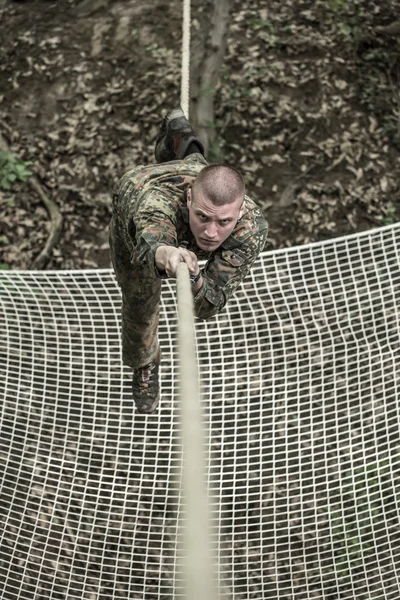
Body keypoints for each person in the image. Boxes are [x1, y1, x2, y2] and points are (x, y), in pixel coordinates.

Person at [110, 108, 268, 414]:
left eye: (224, 221)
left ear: (239, 212)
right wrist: (168, 254)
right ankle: (144, 362)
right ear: (188, 202)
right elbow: (151, 239)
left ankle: (181, 138)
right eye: (203, 217)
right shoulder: (155, 204)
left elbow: (207, 305)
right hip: (136, 202)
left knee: (199, 170)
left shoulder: (251, 227)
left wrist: (195, 277)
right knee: (139, 301)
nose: (211, 232)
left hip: (191, 183)